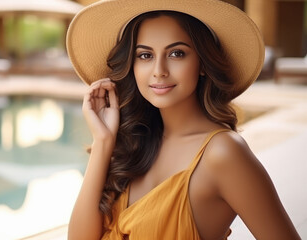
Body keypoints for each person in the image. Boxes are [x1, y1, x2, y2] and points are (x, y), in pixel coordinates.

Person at [66, 0, 301, 239]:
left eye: (177, 53)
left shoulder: (223, 153)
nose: (159, 70)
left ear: (202, 63)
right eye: (145, 55)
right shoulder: (133, 143)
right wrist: (103, 142)